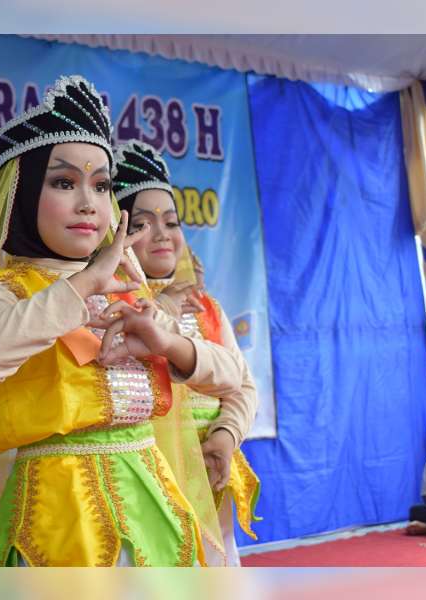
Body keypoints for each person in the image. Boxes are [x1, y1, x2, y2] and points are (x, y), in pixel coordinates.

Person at [0, 75, 248, 567]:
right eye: (63, 182)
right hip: (58, 514)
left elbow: (233, 375)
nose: (88, 202)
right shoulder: (12, 289)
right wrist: (84, 284)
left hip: (154, 500)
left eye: (101, 185)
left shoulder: (131, 290)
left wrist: (165, 341)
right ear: (20, 198)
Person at [112, 140, 261, 565]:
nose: (162, 234)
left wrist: (225, 435)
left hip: (212, 477)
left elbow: (241, 383)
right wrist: (165, 312)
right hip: (147, 486)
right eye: (141, 224)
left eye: (171, 221)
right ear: (116, 234)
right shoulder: (115, 306)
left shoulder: (207, 305)